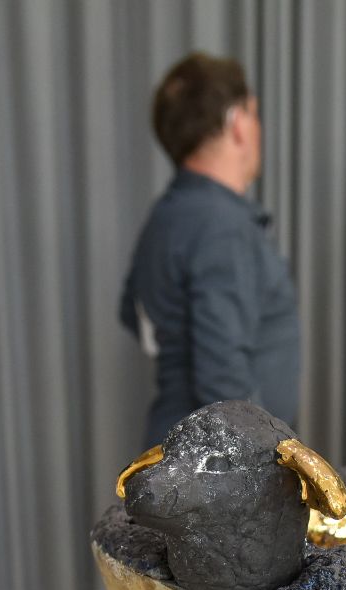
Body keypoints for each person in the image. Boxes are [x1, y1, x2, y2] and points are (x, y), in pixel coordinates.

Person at [120, 53, 299, 447]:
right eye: (254, 113)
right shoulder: (222, 224)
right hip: (220, 467)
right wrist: (267, 464)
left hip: (177, 451)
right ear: (238, 123)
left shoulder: (165, 215)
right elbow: (224, 380)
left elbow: (132, 312)